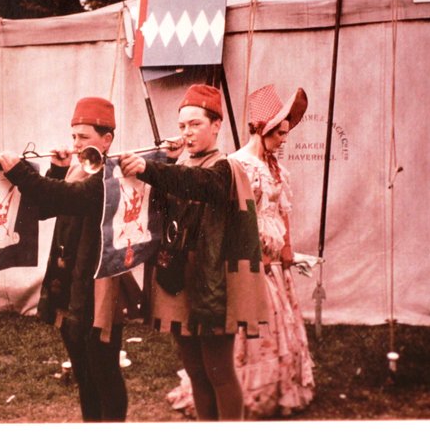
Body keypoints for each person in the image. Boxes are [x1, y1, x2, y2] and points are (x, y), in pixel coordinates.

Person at [118, 84, 272, 421]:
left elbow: (199, 184)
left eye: (196, 124)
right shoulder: (182, 163)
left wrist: (151, 168)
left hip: (212, 284)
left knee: (219, 372)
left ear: (216, 125)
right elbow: (172, 191)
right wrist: (166, 161)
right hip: (180, 282)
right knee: (196, 373)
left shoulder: (225, 167)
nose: (187, 133)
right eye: (183, 126)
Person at [0, 97, 132, 422]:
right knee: (84, 373)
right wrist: (57, 169)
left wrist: (20, 172)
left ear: (106, 140)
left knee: (104, 371)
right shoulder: (75, 171)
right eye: (74, 137)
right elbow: (43, 209)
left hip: (99, 286)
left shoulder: (111, 175)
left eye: (83, 137)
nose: (76, 144)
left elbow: (68, 198)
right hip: (71, 284)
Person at [228, 84, 315, 417]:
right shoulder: (238, 165)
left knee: (283, 322)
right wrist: (256, 254)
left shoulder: (275, 166)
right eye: (279, 133)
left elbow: (282, 211)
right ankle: (250, 390)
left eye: (286, 134)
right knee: (258, 324)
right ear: (261, 129)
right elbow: (236, 218)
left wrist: (288, 247)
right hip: (254, 259)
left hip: (277, 259)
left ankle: (282, 384)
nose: (283, 140)